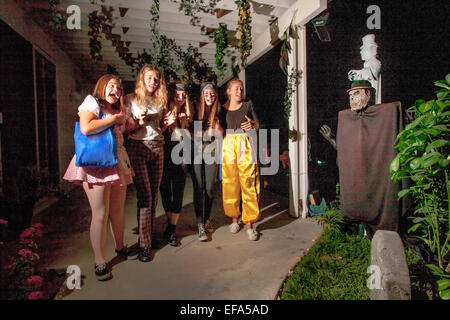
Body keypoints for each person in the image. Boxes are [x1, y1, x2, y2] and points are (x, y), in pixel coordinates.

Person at [63, 74, 137, 281]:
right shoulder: (91, 102)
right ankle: (100, 261)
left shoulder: (118, 110)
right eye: (112, 86)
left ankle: (120, 247)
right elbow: (85, 128)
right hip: (96, 164)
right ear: (102, 87)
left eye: (119, 88)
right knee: (100, 214)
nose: (117, 90)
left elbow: (125, 128)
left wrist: (134, 121)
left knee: (117, 211)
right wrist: (113, 119)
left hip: (117, 161)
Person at [125, 64, 175, 262]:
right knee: (145, 196)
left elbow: (158, 129)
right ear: (141, 79)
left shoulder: (160, 101)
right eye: (149, 78)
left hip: (158, 147)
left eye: (156, 79)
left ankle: (147, 237)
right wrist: (138, 121)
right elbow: (125, 129)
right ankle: (144, 247)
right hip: (138, 147)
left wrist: (166, 123)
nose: (153, 82)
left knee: (153, 196)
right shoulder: (130, 99)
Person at [218, 78, 260, 241]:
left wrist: (253, 125)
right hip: (228, 145)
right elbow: (219, 129)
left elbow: (258, 124)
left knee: (248, 183)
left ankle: (249, 224)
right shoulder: (222, 109)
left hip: (245, 144)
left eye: (241, 89)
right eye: (236, 89)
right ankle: (235, 220)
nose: (239, 91)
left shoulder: (248, 105)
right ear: (228, 91)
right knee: (230, 183)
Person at [159, 82, 193, 246]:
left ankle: (172, 228)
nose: (180, 98)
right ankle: (169, 220)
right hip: (164, 156)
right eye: (177, 95)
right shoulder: (164, 112)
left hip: (181, 156)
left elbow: (192, 138)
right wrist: (167, 123)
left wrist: (186, 126)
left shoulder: (188, 114)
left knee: (178, 191)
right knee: (165, 190)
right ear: (172, 96)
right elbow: (158, 133)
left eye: (183, 96)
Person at [190, 83, 223, 241]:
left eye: (212, 94)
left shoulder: (220, 110)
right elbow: (196, 134)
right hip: (197, 150)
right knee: (199, 188)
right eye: (206, 94)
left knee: (210, 188)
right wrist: (211, 131)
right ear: (202, 95)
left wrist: (215, 131)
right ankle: (199, 224)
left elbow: (221, 134)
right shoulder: (195, 109)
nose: (209, 97)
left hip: (212, 149)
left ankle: (207, 219)